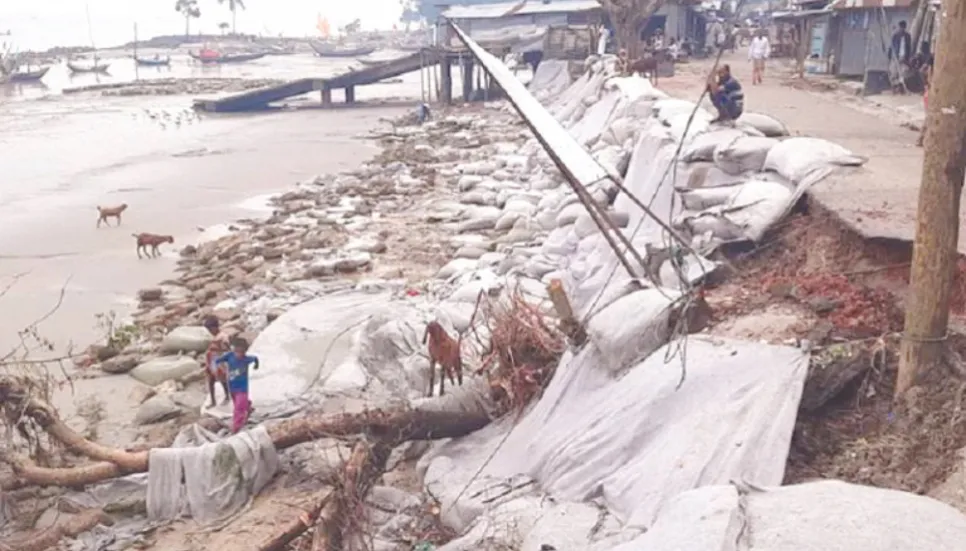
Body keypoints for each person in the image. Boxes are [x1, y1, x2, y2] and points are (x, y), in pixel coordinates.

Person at [216, 336, 260, 433]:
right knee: (238, 403)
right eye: (237, 351)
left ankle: (236, 427)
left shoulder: (247, 359)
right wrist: (223, 369)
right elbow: (217, 361)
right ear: (233, 349)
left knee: (238, 409)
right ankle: (248, 407)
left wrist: (256, 366)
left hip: (243, 388)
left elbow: (255, 359)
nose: (239, 354)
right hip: (232, 386)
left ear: (245, 351)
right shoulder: (229, 356)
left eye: (242, 352)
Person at [202, 316, 230, 408]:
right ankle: (213, 401)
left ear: (215, 327)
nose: (210, 331)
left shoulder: (223, 336)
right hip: (212, 360)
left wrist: (218, 348)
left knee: (222, 379)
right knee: (211, 380)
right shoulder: (213, 337)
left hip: (220, 360)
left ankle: (227, 396)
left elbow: (227, 348)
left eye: (210, 329)